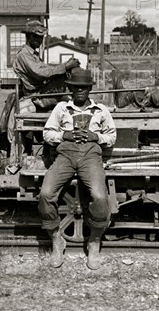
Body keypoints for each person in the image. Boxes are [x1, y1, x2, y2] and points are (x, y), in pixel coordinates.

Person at [38, 68, 116, 270]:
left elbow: (112, 137)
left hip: (91, 156)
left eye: (83, 87)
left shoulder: (100, 110)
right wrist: (64, 136)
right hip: (65, 155)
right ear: (70, 89)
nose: (79, 91)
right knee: (46, 193)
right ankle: (56, 239)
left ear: (89, 89)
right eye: (75, 88)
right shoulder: (62, 109)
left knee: (99, 197)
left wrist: (96, 137)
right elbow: (47, 133)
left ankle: (94, 242)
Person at [12, 20, 80, 110]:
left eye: (41, 37)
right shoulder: (24, 55)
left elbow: (47, 69)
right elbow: (41, 73)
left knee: (69, 76)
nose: (39, 40)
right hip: (37, 96)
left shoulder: (33, 55)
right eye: (36, 36)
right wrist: (65, 66)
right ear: (28, 36)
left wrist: (67, 66)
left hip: (42, 92)